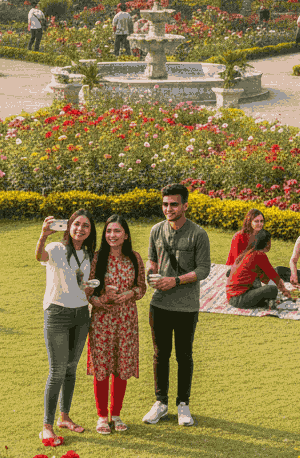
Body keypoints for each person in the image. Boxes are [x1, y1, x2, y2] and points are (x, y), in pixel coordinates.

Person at [144, 183, 210, 427]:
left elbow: (203, 269)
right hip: (159, 304)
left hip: (186, 306)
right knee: (160, 355)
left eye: (173, 204)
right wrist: (151, 273)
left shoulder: (198, 234)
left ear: (185, 205)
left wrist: (176, 281)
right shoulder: (156, 231)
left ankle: (183, 404)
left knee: (184, 356)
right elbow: (152, 259)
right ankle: (160, 403)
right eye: (165, 204)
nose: (168, 209)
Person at [36, 210, 96, 444]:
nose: (80, 229)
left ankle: (65, 417)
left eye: (86, 226)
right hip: (57, 313)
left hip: (81, 314)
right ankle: (47, 426)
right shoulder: (55, 248)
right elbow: (39, 257)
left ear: (90, 231)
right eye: (77, 224)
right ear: (69, 226)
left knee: (71, 368)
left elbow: (82, 283)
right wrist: (42, 235)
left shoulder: (89, 253)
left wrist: (89, 288)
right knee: (57, 370)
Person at [87, 214, 147, 434]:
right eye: (109, 231)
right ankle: (102, 416)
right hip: (102, 321)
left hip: (127, 320)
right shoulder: (97, 259)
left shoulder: (134, 258)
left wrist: (130, 293)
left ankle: (117, 414)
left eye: (117, 231)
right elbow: (88, 294)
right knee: (102, 368)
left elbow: (142, 287)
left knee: (122, 367)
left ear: (126, 235)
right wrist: (103, 299)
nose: (112, 235)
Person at [226, 229, 289, 309]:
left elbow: (264, 277)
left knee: (264, 284)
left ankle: (262, 301)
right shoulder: (259, 255)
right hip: (239, 298)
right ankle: (268, 303)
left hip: (233, 297)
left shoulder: (248, 252)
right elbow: (273, 276)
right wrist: (284, 289)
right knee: (272, 289)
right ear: (267, 243)